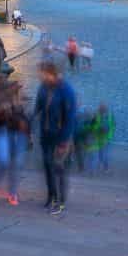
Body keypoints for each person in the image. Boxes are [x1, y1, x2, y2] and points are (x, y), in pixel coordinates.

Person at [33, 62, 77, 215]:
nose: (39, 76)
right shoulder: (43, 87)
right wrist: (30, 123)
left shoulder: (66, 90)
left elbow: (70, 118)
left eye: (42, 73)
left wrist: (64, 140)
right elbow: (38, 107)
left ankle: (61, 202)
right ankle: (51, 196)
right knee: (47, 166)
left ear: (50, 73)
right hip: (46, 134)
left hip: (59, 136)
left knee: (58, 168)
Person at [90, 103, 115, 174]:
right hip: (107, 138)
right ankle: (105, 168)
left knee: (99, 153)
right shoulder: (110, 115)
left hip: (98, 137)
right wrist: (111, 134)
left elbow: (92, 126)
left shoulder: (95, 115)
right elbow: (113, 126)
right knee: (105, 153)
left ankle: (97, 167)